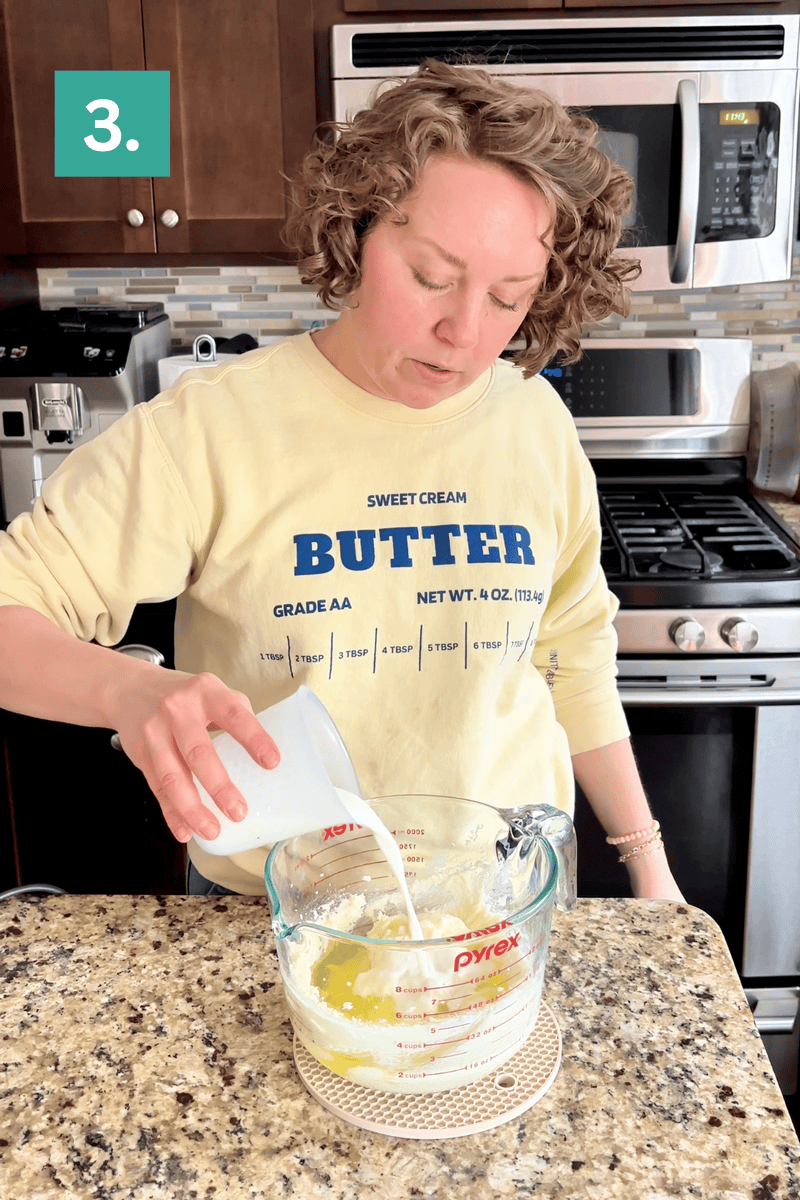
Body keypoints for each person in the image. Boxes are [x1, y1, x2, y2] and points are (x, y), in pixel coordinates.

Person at [0, 59, 684, 902]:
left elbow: (572, 653)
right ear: (357, 230)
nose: (464, 332)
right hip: (282, 906)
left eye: (509, 297)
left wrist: (649, 867)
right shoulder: (210, 430)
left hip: (503, 895)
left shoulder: (534, 420)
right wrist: (126, 689)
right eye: (431, 276)